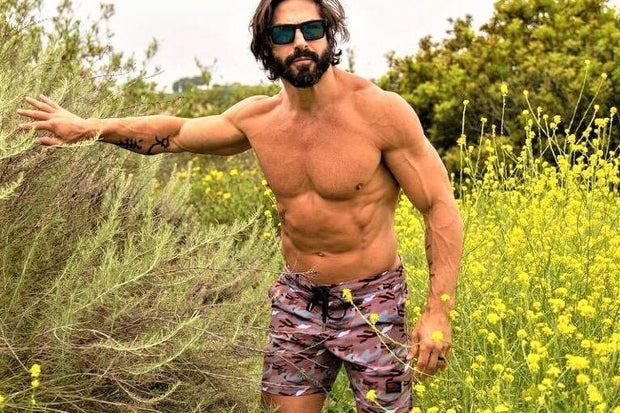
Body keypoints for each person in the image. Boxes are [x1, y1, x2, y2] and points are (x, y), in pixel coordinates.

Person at [17, 0, 463, 411]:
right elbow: (175, 133)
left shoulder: (380, 113)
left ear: (330, 34)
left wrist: (438, 310)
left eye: (312, 29)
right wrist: (88, 128)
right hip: (299, 300)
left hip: (372, 301)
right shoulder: (258, 120)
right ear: (267, 46)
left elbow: (439, 206)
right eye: (284, 33)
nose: (301, 42)